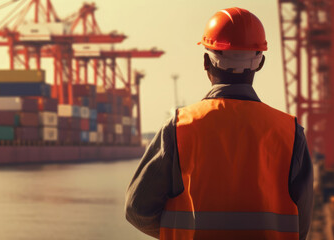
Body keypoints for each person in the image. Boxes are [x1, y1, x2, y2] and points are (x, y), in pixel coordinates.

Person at [125, 7, 313, 240]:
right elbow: (301, 225)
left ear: (206, 61)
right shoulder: (290, 132)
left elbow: (137, 210)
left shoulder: (179, 128)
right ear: (260, 62)